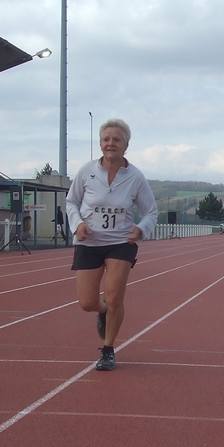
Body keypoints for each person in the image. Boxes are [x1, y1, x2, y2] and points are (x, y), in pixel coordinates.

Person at [66, 118, 158, 371]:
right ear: (100, 143)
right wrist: (77, 224)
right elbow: (71, 202)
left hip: (120, 242)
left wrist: (140, 229)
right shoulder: (87, 171)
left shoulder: (136, 177)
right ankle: (103, 310)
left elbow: (151, 212)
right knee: (86, 302)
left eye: (116, 140)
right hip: (89, 241)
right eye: (106, 139)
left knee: (115, 295)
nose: (111, 144)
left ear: (126, 145)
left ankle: (107, 350)